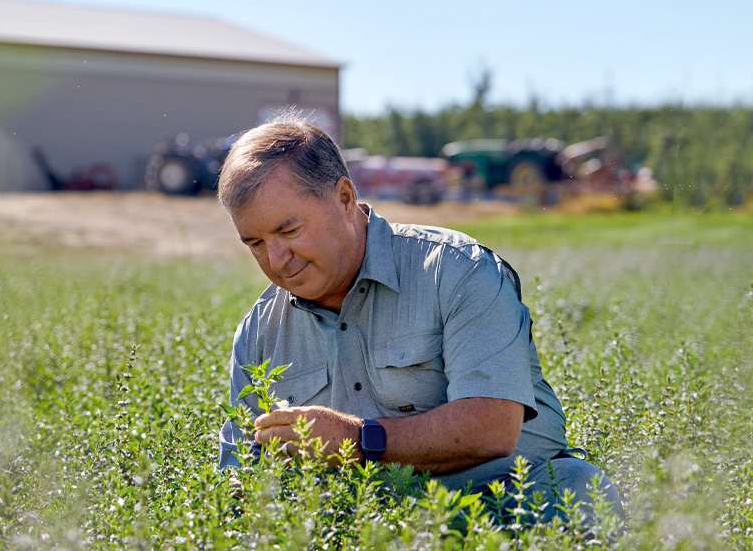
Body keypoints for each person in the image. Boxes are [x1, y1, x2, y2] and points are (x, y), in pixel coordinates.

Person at [217, 115, 623, 523]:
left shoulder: (454, 271)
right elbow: (240, 480)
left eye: (288, 231)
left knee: (579, 490)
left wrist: (356, 440)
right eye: (255, 243)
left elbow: (493, 427)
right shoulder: (258, 334)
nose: (275, 260)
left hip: (500, 509)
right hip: (366, 527)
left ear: (343, 198)